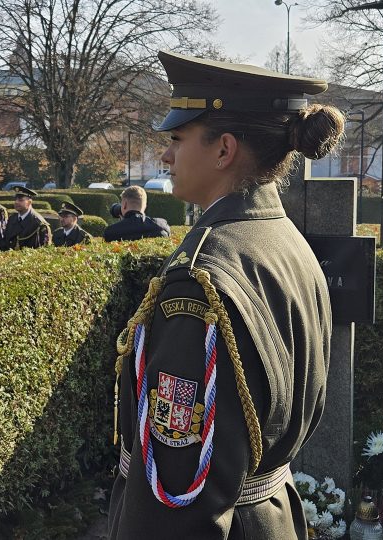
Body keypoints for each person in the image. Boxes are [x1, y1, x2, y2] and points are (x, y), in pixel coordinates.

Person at [108, 51, 342, 539]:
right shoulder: (284, 238)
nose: (166, 156)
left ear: (224, 150)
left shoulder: (200, 280)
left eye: (177, 139)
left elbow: (179, 498)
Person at [102, 186, 170, 242]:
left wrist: (122, 223)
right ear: (145, 206)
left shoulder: (111, 231)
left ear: (125, 204)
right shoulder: (162, 225)